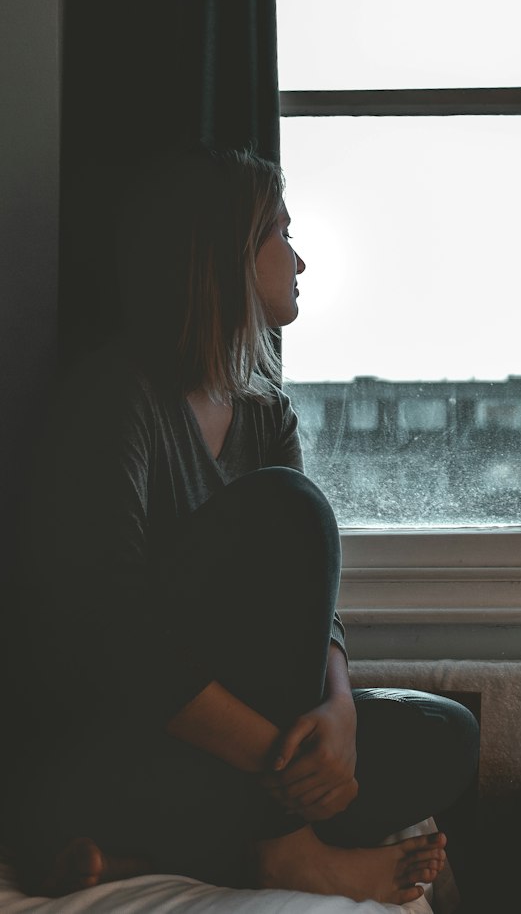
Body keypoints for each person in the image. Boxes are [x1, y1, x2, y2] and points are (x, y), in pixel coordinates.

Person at [7, 147, 478, 905]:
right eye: (281, 234)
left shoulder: (267, 414)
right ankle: (281, 851)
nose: (301, 260)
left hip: (221, 767)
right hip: (131, 741)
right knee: (291, 507)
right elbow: (109, 637)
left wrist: (341, 714)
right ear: (226, 254)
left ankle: (144, 854)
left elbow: (311, 608)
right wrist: (286, 769)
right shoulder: (119, 397)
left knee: (447, 734)